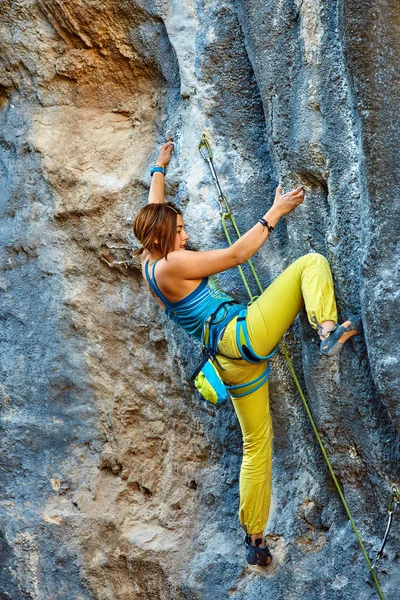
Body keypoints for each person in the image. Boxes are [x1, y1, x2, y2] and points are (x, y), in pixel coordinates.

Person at [133, 140, 362, 567]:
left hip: (228, 364)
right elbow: (237, 255)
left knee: (257, 443)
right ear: (163, 238)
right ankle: (327, 331)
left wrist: (158, 170)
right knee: (310, 264)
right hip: (243, 336)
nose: (186, 234)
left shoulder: (149, 262)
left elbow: (154, 210)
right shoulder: (173, 265)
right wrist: (275, 212)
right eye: (179, 232)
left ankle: (255, 539)